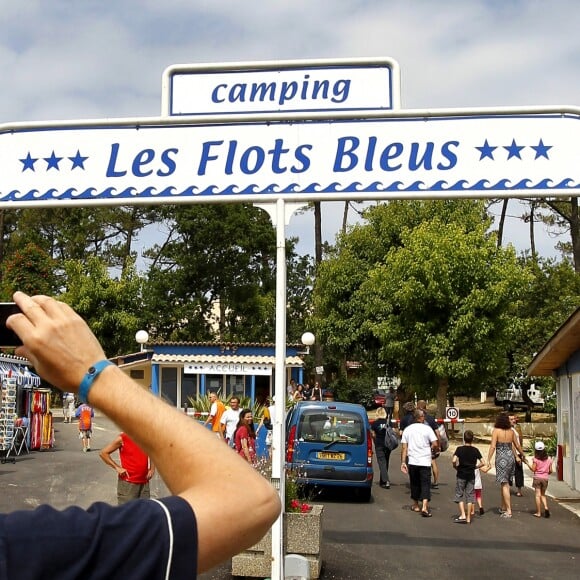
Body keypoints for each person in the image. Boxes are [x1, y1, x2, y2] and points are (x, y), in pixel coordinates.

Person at [4, 291, 281, 577]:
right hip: (136, 480)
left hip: (145, 478)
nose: (234, 403)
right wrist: (92, 372)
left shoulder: (20, 548)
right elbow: (250, 500)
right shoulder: (28, 546)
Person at [486, 411, 525, 518]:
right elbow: (517, 445)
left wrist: (488, 459)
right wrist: (522, 455)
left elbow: (493, 446)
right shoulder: (511, 432)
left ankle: (508, 510)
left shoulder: (496, 431)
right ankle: (503, 507)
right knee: (506, 482)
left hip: (501, 459)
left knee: (504, 485)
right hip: (510, 458)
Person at [400, 409, 439, 517]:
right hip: (425, 461)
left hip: (413, 460)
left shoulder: (408, 430)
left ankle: (416, 504)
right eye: (423, 417)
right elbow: (435, 443)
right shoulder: (427, 429)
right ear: (421, 418)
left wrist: (403, 462)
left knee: (415, 483)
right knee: (425, 483)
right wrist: (433, 449)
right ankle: (425, 507)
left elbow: (404, 448)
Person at [99, 432, 156, 505]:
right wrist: (117, 467)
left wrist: (152, 469)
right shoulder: (123, 438)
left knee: (144, 512)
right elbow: (103, 453)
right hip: (128, 483)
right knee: (127, 513)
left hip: (144, 482)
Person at [452, 429, 485, 524]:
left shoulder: (459, 449)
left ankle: (462, 514)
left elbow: (454, 460)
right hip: (471, 475)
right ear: (472, 439)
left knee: (459, 494)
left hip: (461, 474)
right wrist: (475, 467)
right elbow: (483, 462)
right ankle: (469, 517)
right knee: (470, 495)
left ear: (464, 438)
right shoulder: (475, 450)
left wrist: (456, 467)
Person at [417, 400, 441, 489]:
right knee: (433, 462)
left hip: (420, 444)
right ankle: (435, 481)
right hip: (431, 444)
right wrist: (438, 445)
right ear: (425, 407)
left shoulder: (416, 418)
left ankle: (421, 481)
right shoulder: (431, 418)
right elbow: (438, 433)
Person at [529, 440, 553, 518]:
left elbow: (533, 469)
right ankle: (546, 508)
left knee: (537, 495)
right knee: (543, 495)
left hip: (537, 478)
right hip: (545, 479)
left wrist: (527, 464)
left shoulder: (535, 459)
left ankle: (538, 512)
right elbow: (551, 471)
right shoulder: (549, 459)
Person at [370, 407, 392, 489]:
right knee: (386, 462)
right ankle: (382, 480)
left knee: (381, 462)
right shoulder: (388, 422)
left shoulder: (375, 423)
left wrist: (375, 441)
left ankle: (386, 481)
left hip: (379, 444)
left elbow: (373, 434)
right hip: (388, 445)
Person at [509, 414, 525, 496]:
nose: (514, 420)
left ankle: (519, 490)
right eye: (511, 419)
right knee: (509, 471)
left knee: (519, 471)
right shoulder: (508, 430)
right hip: (511, 454)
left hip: (518, 453)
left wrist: (521, 453)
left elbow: (519, 442)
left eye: (514, 419)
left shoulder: (516, 428)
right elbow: (511, 444)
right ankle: (507, 487)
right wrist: (516, 456)